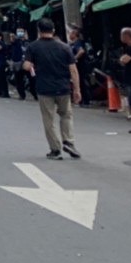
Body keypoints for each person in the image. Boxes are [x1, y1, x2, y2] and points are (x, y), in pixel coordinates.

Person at [23, 18, 81, 159]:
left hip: (44, 88)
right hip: (63, 88)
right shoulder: (64, 47)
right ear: (53, 30)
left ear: (39, 31)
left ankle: (55, 150)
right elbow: (73, 70)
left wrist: (32, 66)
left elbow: (26, 66)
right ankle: (69, 142)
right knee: (66, 115)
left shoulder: (33, 47)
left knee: (48, 120)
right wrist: (77, 90)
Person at [68, 28, 95, 107]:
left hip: (81, 66)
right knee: (79, 83)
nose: (69, 35)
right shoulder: (72, 43)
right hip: (77, 66)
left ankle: (86, 100)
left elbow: (81, 51)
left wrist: (74, 58)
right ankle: (81, 100)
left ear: (74, 34)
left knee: (82, 83)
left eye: (71, 33)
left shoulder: (78, 43)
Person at [7, 28, 35, 100]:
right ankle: (22, 95)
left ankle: (35, 93)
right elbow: (12, 42)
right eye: (19, 32)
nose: (20, 33)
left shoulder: (28, 42)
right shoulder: (15, 42)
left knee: (32, 79)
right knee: (18, 80)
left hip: (28, 63)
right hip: (18, 64)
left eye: (21, 32)